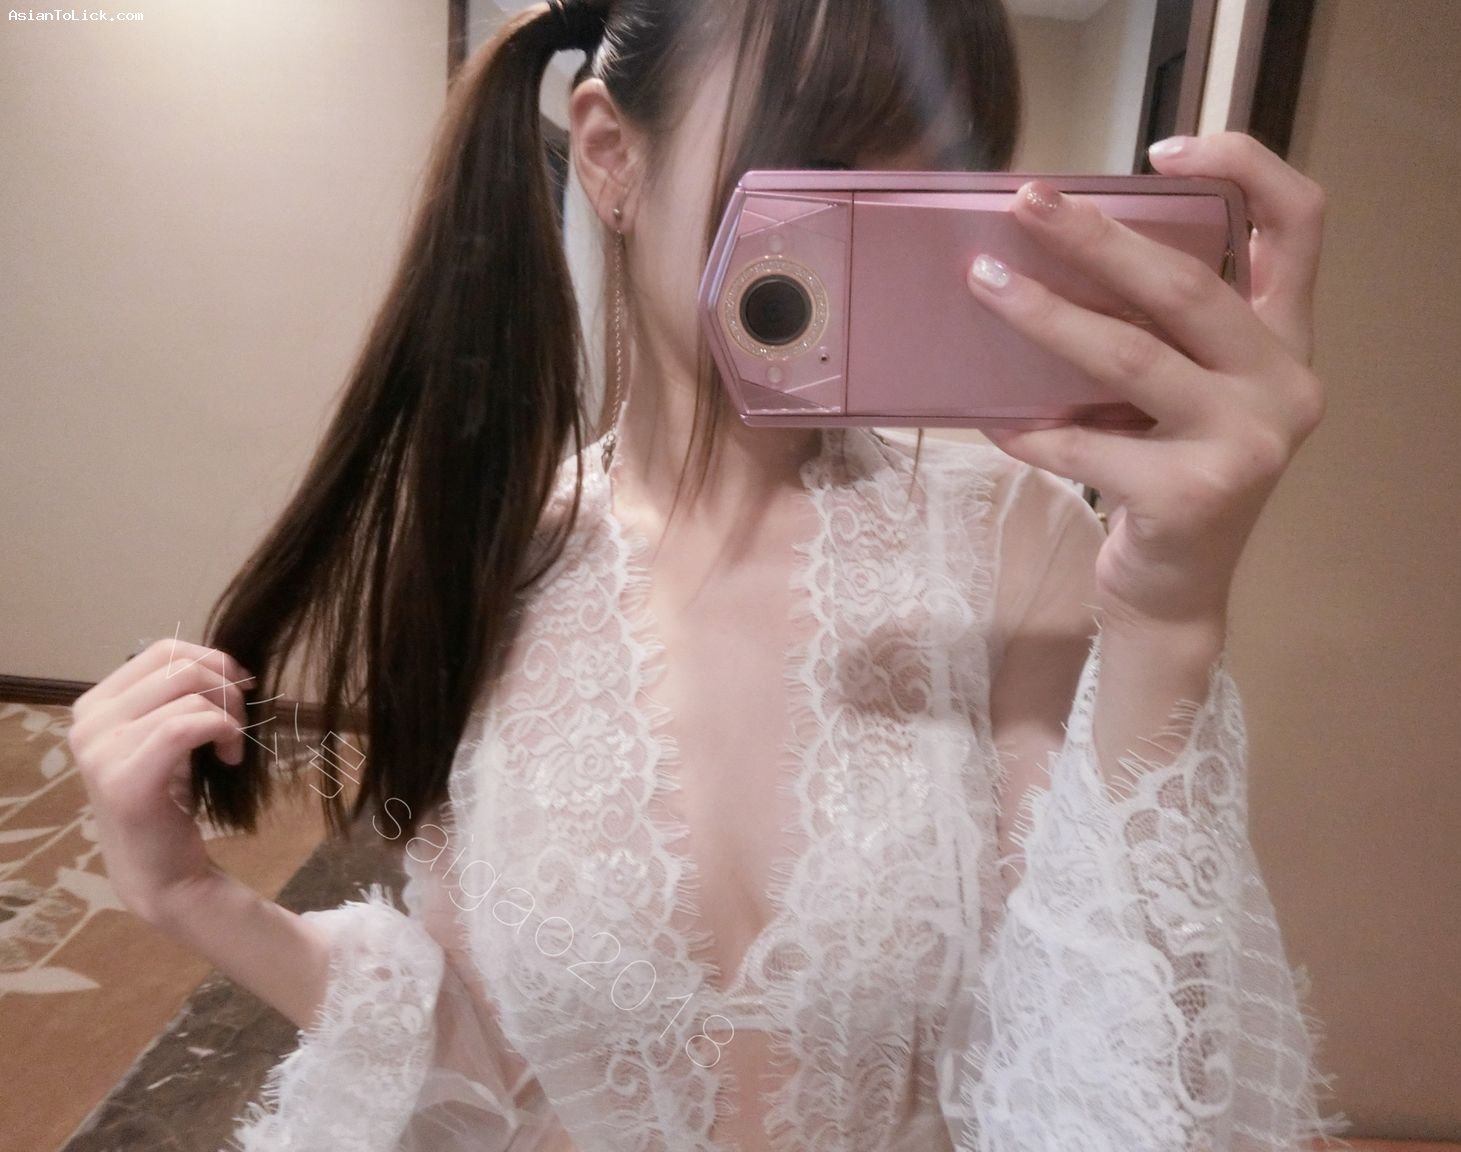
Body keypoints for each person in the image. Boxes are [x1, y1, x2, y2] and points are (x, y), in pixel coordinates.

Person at [67, 0, 1351, 1148]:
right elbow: (486, 1060)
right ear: (612, 156)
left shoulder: (1020, 543)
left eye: (931, 189)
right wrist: (191, 897)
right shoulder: (487, 553)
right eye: (825, 164)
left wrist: (1172, 615)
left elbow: (1110, 1080)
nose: (874, 245)